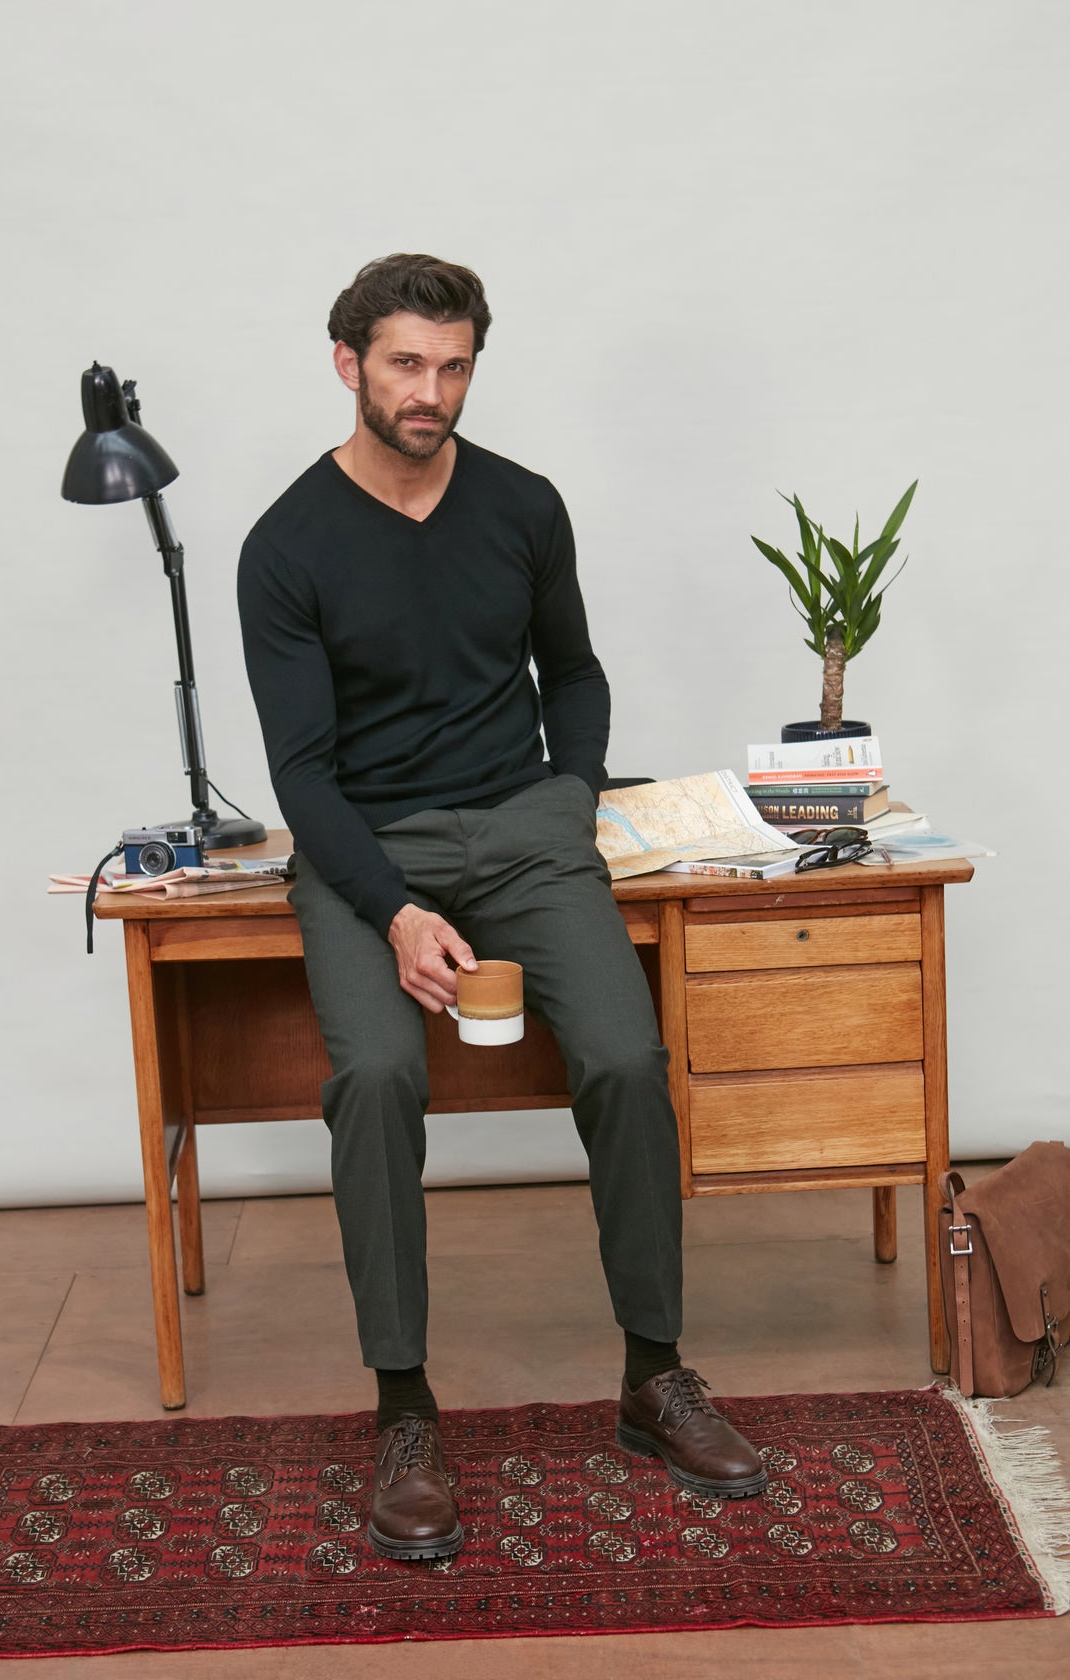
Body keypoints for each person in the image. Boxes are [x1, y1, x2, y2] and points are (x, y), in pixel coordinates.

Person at [237, 253, 765, 1561]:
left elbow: (573, 674)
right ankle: (403, 1411)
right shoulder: (285, 545)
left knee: (628, 1059)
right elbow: (301, 774)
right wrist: (393, 910)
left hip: (527, 833)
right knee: (374, 1078)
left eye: (455, 365)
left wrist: (568, 796)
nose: (431, 391)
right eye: (406, 364)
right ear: (349, 364)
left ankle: (653, 1374)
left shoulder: (523, 506)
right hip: (368, 849)